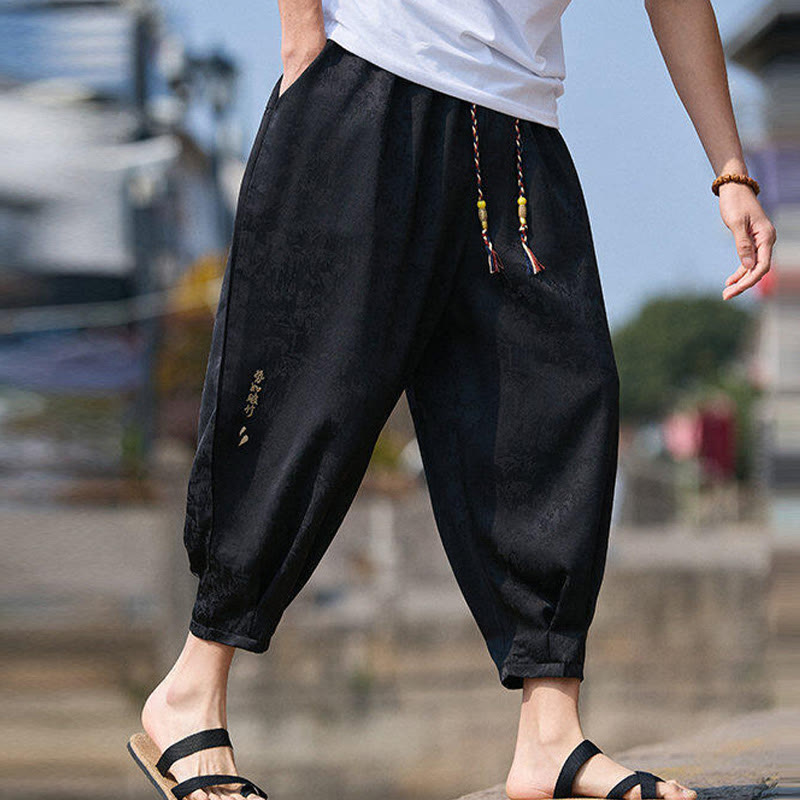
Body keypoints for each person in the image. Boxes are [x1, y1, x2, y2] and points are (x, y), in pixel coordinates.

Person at [128, 1, 777, 799]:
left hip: (518, 126)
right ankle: (191, 690)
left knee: (559, 402)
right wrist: (304, 46)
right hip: (369, 81)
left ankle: (550, 735)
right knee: (311, 393)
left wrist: (730, 170)